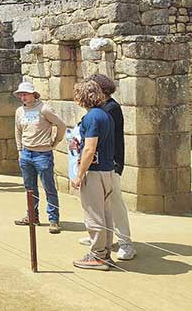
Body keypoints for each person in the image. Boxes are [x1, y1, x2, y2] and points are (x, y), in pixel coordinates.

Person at [81, 74, 135, 260]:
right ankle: (102, 238)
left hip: (110, 163)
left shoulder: (110, 108)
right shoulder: (101, 108)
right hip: (102, 164)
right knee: (101, 204)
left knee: (115, 203)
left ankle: (126, 243)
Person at [71, 80, 115, 271]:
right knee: (105, 214)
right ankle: (104, 253)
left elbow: (89, 149)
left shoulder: (92, 118)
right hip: (107, 170)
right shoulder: (105, 115)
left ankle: (97, 255)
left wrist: (80, 175)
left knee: (94, 214)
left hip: (95, 172)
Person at [13, 80, 67, 234]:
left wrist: (55, 142)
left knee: (49, 187)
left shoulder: (44, 109)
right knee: (29, 188)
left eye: (25, 94)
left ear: (33, 94)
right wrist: (19, 150)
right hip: (26, 153)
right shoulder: (19, 111)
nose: (22, 97)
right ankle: (32, 216)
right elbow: (18, 131)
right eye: (20, 94)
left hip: (42, 153)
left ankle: (53, 219)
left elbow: (61, 125)